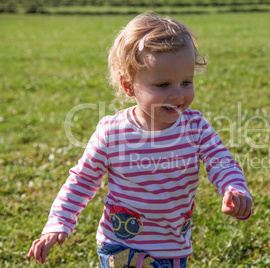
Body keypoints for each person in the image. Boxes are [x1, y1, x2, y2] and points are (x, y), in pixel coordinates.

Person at [28, 12, 253, 268]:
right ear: (128, 86)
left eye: (186, 82)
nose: (178, 94)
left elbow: (221, 162)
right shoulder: (113, 132)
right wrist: (59, 221)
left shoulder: (195, 127)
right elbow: (82, 179)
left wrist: (234, 187)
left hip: (172, 247)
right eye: (163, 85)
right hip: (120, 244)